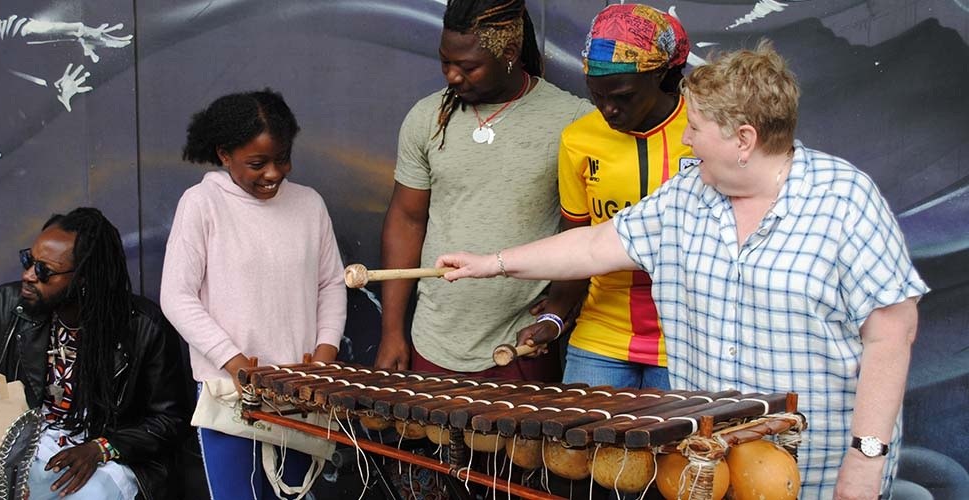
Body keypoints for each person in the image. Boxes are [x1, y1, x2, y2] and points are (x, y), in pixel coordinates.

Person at [435, 41, 928, 499]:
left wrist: (866, 461)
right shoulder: (684, 195)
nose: (686, 141)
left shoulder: (845, 199)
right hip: (709, 467)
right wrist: (491, 263)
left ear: (744, 139)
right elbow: (591, 246)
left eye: (695, 127)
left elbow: (891, 334)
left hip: (820, 470)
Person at [375, 0, 593, 380]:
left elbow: (587, 233)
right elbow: (407, 220)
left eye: (468, 66)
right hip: (434, 338)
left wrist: (560, 305)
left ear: (509, 54)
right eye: (446, 62)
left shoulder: (572, 120)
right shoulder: (426, 118)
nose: (453, 77)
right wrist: (392, 331)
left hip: (521, 343)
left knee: (518, 443)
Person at [160, 89, 346, 499]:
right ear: (225, 155)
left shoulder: (309, 205)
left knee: (294, 495)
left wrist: (324, 357)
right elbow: (176, 296)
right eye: (257, 163)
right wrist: (236, 363)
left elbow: (330, 283)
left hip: (299, 391)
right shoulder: (202, 204)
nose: (274, 173)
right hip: (229, 392)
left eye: (283, 158)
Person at [519, 4, 695, 390]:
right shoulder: (579, 139)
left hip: (688, 340)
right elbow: (578, 241)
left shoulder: (703, 131)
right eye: (596, 96)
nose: (609, 109)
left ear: (661, 74)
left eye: (624, 96)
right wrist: (555, 317)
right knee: (582, 449)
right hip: (601, 337)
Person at [0, 207, 189, 500]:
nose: (28, 275)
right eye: (28, 260)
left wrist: (101, 448)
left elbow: (169, 420)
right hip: (25, 442)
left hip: (107, 453)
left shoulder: (143, 327)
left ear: (83, 278)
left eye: (44, 271)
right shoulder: (5, 306)